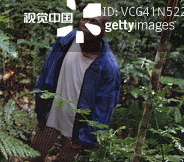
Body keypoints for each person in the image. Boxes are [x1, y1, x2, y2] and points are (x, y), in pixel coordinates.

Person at [29, 14, 121, 161]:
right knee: (33, 154)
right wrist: (40, 104)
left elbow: (105, 108)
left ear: (105, 30)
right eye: (85, 19)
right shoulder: (66, 41)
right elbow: (47, 72)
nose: (86, 25)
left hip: (78, 129)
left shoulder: (108, 67)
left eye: (94, 23)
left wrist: (88, 137)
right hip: (51, 115)